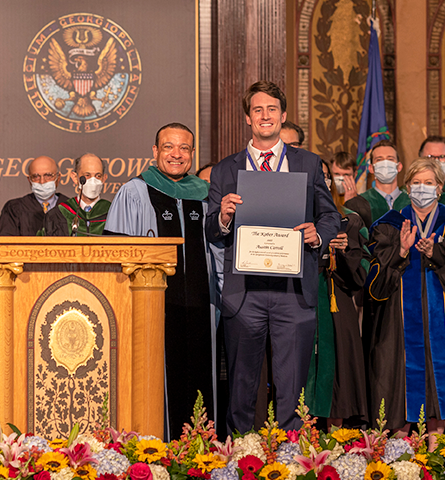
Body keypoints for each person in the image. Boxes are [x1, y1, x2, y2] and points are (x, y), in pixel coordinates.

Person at [206, 80, 340, 433]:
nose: (265, 116)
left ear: (282, 116)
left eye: (271, 109)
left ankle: (290, 457)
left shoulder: (308, 164)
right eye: (257, 110)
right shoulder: (225, 170)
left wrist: (319, 234)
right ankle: (241, 456)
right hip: (244, 293)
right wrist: (222, 216)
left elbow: (330, 216)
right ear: (248, 119)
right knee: (241, 386)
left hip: (293, 293)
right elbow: (209, 228)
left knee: (292, 388)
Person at [104, 123, 218, 440]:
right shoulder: (135, 191)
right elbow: (116, 256)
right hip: (153, 309)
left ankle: (201, 453)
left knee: (201, 381)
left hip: (202, 307)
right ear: (155, 152)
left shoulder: (207, 194)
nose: (176, 154)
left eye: (184, 148)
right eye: (168, 146)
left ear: (192, 154)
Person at [365, 158, 445, 449]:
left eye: (429, 183)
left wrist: (438, 254)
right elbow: (374, 287)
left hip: (443, 323)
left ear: (440, 188)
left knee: (438, 385)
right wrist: (401, 251)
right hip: (397, 326)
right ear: (407, 187)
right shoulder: (388, 226)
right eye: (417, 182)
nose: (422, 188)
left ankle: (438, 453)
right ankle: (398, 457)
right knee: (396, 387)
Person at [306, 160, 369, 426]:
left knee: (338, 367)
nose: (322, 180)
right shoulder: (290, 220)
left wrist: (343, 252)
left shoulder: (350, 220)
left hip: (335, 301)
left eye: (325, 176)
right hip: (299, 300)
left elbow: (361, 274)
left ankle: (337, 435)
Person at [345, 140, 410, 230]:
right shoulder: (357, 204)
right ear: (371, 168)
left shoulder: (411, 202)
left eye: (390, 159)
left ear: (399, 167)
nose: (385, 164)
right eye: (379, 159)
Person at [0, 156, 67, 236]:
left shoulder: (72, 208)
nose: (42, 181)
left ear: (58, 178)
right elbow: (6, 244)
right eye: (36, 176)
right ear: (29, 180)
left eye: (48, 175)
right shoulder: (14, 209)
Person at [43, 153, 110, 236]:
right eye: (87, 175)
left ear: (104, 178)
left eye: (98, 176)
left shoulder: (113, 213)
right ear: (75, 178)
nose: (93, 181)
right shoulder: (58, 214)